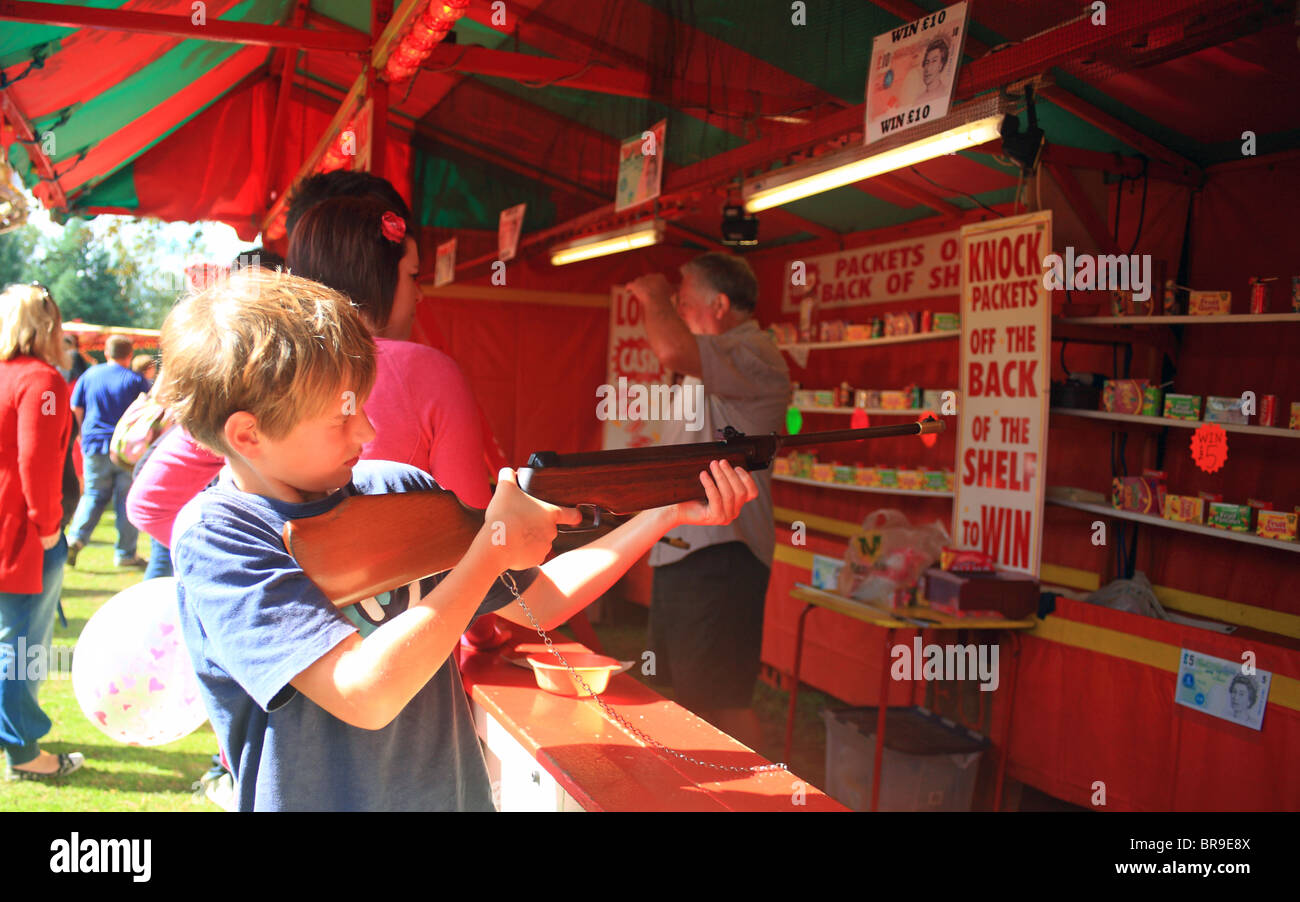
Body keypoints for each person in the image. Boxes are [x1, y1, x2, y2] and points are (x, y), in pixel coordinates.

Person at [160, 268, 757, 811]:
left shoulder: (397, 488)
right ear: (248, 434)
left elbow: (538, 603)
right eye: (340, 418)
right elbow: (364, 693)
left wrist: (660, 514)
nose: (366, 431)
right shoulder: (219, 537)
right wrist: (490, 549)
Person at [626, 253, 792, 751]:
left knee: (722, 700)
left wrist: (654, 293)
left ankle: (757, 800)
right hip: (686, 546)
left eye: (683, 301)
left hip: (723, 551)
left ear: (719, 305)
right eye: (673, 302)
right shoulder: (715, 360)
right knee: (687, 698)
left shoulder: (752, 351)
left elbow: (671, 348)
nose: (675, 309)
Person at [287, 195, 492, 509]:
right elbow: (474, 520)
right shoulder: (428, 370)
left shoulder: (274, 368)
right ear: (375, 276)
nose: (419, 295)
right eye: (412, 276)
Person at [0, 283, 84, 780]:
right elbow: (35, 458)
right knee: (23, 646)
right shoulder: (42, 380)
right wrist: (47, 525)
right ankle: (25, 752)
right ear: (48, 324)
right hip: (25, 533)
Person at [66, 334, 151, 568]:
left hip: (94, 443)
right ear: (129, 355)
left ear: (106, 353)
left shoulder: (89, 375)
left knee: (93, 494)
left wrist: (83, 434)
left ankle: (75, 540)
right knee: (125, 499)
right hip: (127, 449)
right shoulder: (135, 380)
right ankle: (125, 554)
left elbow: (76, 406)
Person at [915, 37, 952, 105]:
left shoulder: (945, 92)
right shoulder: (918, 99)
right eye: (927, 62)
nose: (928, 68)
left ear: (941, 65)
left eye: (934, 61)